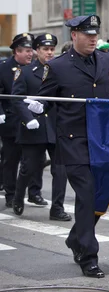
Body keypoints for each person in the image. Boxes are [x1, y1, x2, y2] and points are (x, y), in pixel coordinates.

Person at [26, 15, 109, 278]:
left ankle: (76, 237)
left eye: (95, 34)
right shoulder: (59, 66)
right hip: (75, 142)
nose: (92, 38)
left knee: (102, 194)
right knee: (86, 194)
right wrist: (38, 106)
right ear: (73, 35)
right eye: (87, 34)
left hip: (106, 142)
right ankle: (88, 256)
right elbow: (46, 98)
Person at [11, 34, 71, 221]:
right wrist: (28, 119)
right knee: (30, 167)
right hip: (34, 127)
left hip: (56, 126)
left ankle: (57, 208)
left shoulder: (59, 70)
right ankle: (18, 196)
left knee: (60, 169)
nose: (49, 52)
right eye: (45, 49)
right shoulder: (26, 72)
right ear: (37, 51)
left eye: (52, 49)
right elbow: (17, 98)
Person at [0, 33, 46, 208]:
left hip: (34, 121)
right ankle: (11, 194)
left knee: (36, 159)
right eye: (26, 51)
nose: (30, 54)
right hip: (11, 121)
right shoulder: (4, 68)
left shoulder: (38, 68)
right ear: (16, 52)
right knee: (11, 159)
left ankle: (35, 192)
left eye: (31, 51)